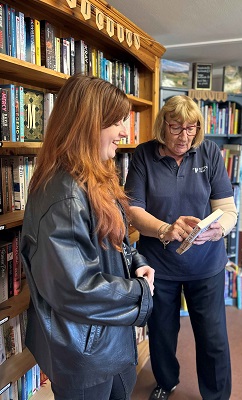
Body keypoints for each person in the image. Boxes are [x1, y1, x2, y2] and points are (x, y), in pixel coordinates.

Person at [20, 74, 155, 400]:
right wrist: (141, 292)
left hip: (105, 341)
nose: (125, 132)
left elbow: (114, 241)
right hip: (85, 351)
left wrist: (136, 262)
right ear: (87, 124)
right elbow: (74, 289)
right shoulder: (64, 193)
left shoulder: (95, 177)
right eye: (117, 122)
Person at [124, 95, 238, 400]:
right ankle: (166, 381)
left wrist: (218, 229)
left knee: (212, 336)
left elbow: (228, 208)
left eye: (191, 128)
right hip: (159, 265)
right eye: (176, 128)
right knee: (161, 333)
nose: (184, 136)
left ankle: (216, 394)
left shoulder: (210, 152)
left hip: (206, 264)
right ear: (163, 125)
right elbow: (133, 210)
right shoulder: (143, 155)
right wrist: (166, 228)